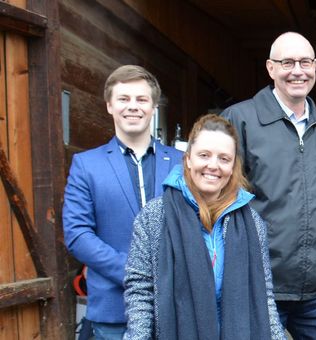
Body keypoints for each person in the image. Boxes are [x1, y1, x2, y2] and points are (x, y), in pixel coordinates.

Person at [221, 32, 316, 339]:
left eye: (305, 62)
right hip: (257, 287)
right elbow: (219, 202)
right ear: (270, 68)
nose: (298, 70)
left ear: (315, 67)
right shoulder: (240, 121)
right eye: (287, 62)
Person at [122, 114, 284, 340]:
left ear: (233, 166)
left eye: (224, 158)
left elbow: (263, 294)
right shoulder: (154, 216)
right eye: (204, 155)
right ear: (188, 159)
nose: (213, 166)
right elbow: (140, 291)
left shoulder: (252, 222)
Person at [62, 65, 183, 340]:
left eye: (142, 100)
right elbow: (77, 234)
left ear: (153, 107)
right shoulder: (86, 165)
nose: (133, 107)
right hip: (113, 310)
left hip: (174, 307)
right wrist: (132, 272)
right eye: (124, 99)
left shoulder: (180, 163)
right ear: (109, 106)